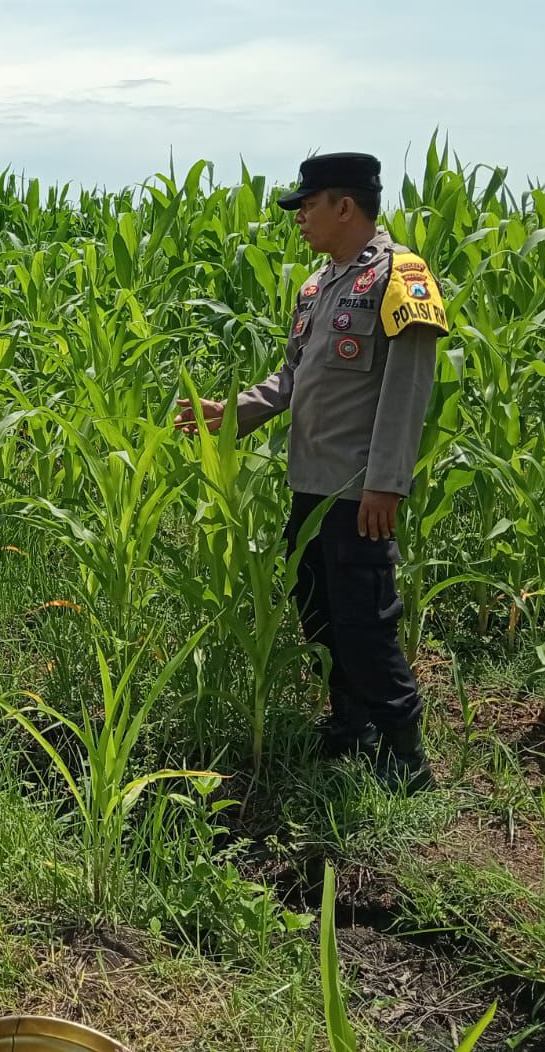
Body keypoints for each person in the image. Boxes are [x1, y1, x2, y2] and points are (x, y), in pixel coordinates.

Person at [175, 152, 446, 791]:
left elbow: (407, 390)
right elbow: (295, 376)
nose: (298, 216)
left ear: (344, 206)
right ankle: (352, 726)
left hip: (359, 493)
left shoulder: (400, 278)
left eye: (308, 204)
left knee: (366, 619)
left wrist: (386, 483)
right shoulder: (319, 286)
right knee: (319, 612)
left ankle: (404, 755)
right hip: (311, 486)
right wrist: (233, 413)